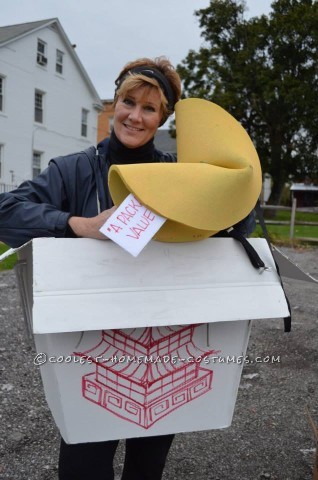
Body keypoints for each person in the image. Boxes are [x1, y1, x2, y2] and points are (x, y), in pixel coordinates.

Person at [0, 56, 255, 479]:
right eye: (128, 101)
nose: (135, 116)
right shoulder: (74, 169)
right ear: (114, 103)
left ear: (162, 118)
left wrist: (232, 187)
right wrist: (77, 224)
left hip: (168, 335)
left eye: (149, 108)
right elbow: (6, 211)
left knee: (148, 462)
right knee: (85, 462)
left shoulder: (181, 175)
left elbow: (232, 224)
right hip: (91, 346)